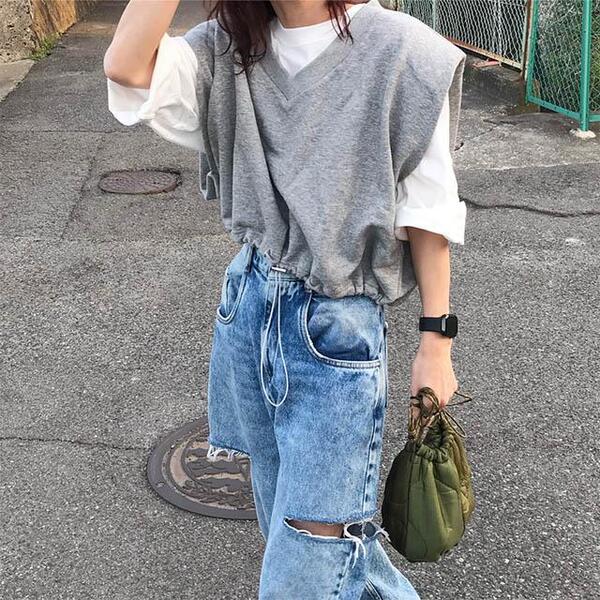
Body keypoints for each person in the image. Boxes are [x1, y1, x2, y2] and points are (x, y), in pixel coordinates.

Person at [104, 1, 467, 598]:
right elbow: (127, 67)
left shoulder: (402, 52)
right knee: (296, 528)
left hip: (336, 331)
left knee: (311, 552)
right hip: (249, 308)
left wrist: (436, 343)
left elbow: (428, 213)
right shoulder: (227, 47)